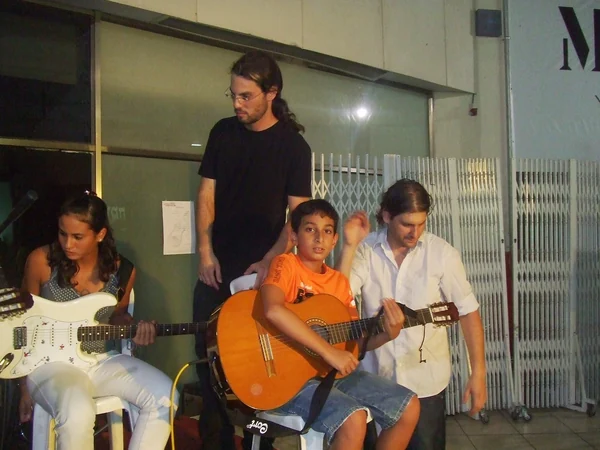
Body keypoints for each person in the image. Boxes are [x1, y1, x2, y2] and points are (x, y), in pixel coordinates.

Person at [194, 49, 312, 450]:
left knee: (260, 362)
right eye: (233, 95)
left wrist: (269, 261)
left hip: (264, 276)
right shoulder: (222, 132)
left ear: (271, 93)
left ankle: (258, 444)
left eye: (246, 96)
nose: (237, 104)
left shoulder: (294, 147)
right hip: (216, 268)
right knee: (208, 361)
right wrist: (205, 251)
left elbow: (298, 218)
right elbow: (206, 195)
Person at [17, 192, 177, 450]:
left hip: (99, 360)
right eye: (62, 233)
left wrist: (135, 329)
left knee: (164, 396)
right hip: (50, 365)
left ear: (100, 234)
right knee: (77, 410)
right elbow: (21, 322)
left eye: (78, 237)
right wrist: (23, 388)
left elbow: (117, 316)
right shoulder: (41, 261)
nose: (67, 244)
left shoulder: (122, 270)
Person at [337, 179, 487, 450]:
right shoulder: (366, 249)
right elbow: (337, 297)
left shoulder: (442, 254)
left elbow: (468, 312)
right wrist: (348, 247)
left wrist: (478, 373)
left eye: (421, 224)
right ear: (386, 216)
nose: (415, 232)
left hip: (426, 383)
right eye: (407, 224)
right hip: (376, 380)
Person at [260, 199, 420, 450]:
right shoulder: (285, 264)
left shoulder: (339, 283)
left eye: (327, 231)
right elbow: (272, 309)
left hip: (330, 375)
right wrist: (328, 352)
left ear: (334, 240)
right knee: (353, 419)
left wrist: (388, 335)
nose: (319, 238)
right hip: (287, 379)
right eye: (310, 229)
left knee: (408, 407)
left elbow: (353, 341)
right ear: (294, 236)